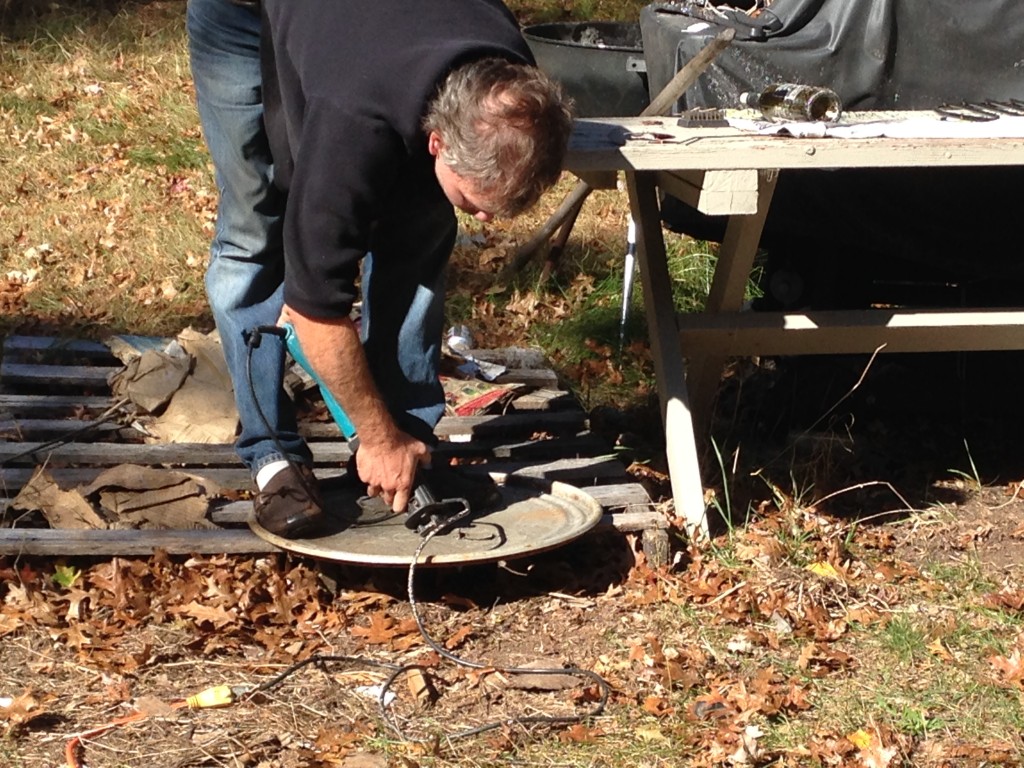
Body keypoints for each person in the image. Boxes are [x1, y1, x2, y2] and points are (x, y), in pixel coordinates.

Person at [187, 0, 573, 538]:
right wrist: (376, 436)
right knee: (255, 227)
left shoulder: (508, 76)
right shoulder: (355, 120)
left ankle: (408, 447)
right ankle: (274, 458)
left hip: (361, 33)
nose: (486, 219)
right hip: (245, 12)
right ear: (436, 140)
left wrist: (394, 437)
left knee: (422, 226)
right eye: (477, 201)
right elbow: (313, 310)